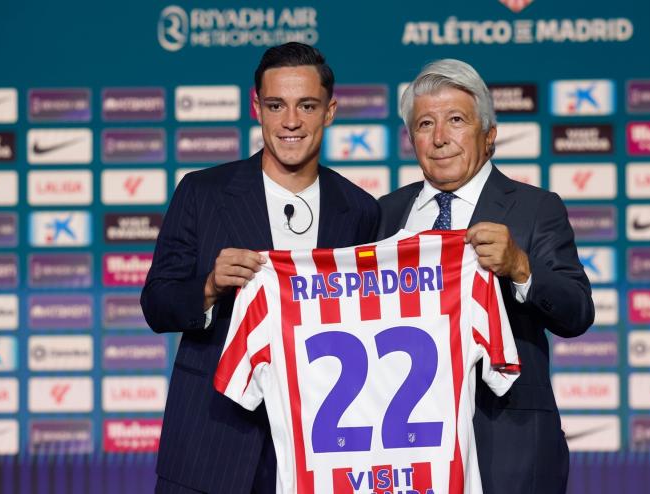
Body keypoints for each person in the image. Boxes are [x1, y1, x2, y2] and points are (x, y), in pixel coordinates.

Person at [141, 42, 380, 494]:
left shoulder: (360, 210)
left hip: (322, 445)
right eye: (276, 105)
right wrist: (208, 287)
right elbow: (157, 304)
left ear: (330, 112)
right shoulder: (202, 193)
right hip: (211, 443)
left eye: (306, 105)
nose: (291, 121)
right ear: (256, 108)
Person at [378, 59, 594, 494]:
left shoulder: (535, 208)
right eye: (425, 124)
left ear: (489, 134)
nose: (440, 138)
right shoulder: (382, 215)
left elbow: (577, 313)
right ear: (411, 139)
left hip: (506, 445)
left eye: (456, 120)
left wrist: (521, 268)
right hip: (403, 446)